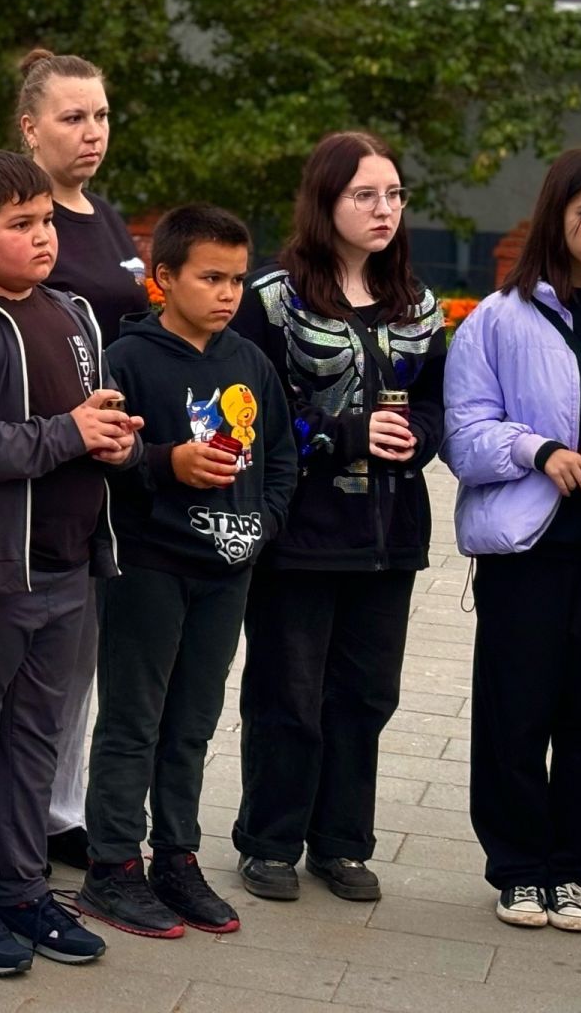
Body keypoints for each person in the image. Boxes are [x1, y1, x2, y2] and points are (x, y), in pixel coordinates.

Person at [0, 150, 139, 978]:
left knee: (35, 740)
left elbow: (85, 416)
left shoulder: (73, 313)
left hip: (67, 567)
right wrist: (69, 434)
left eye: (46, 222)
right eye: (22, 225)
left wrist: (111, 436)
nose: (44, 238)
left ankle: (20, 886)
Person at [0, 49, 149, 873]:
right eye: (73, 117)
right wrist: (69, 430)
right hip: (17, 494)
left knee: (76, 668)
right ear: (29, 128)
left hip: (97, 477)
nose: (92, 132)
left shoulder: (103, 217)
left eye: (100, 115)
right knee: (4, 695)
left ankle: (54, 816)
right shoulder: (0, 237)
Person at [229, 131, 445, 906]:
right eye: (365, 195)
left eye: (394, 194)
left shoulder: (417, 304)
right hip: (301, 534)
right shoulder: (271, 299)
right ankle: (271, 841)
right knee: (289, 692)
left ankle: (344, 844)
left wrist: (418, 434)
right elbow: (243, 411)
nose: (384, 209)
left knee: (366, 696)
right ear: (326, 203)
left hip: (391, 535)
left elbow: (436, 405)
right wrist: (343, 434)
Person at [75, 206, 296, 939]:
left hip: (227, 570)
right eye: (210, 277)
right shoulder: (129, 359)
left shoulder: (250, 362)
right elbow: (105, 455)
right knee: (134, 721)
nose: (228, 292)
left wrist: (261, 525)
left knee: (193, 724)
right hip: (149, 564)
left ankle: (176, 856)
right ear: (165, 279)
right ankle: (111, 867)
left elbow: (281, 463)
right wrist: (165, 462)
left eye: (237, 278)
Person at [443, 147, 581, 934]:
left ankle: (571, 870)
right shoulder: (500, 319)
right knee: (516, 714)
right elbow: (463, 436)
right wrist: (539, 450)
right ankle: (516, 868)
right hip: (530, 547)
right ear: (557, 216)